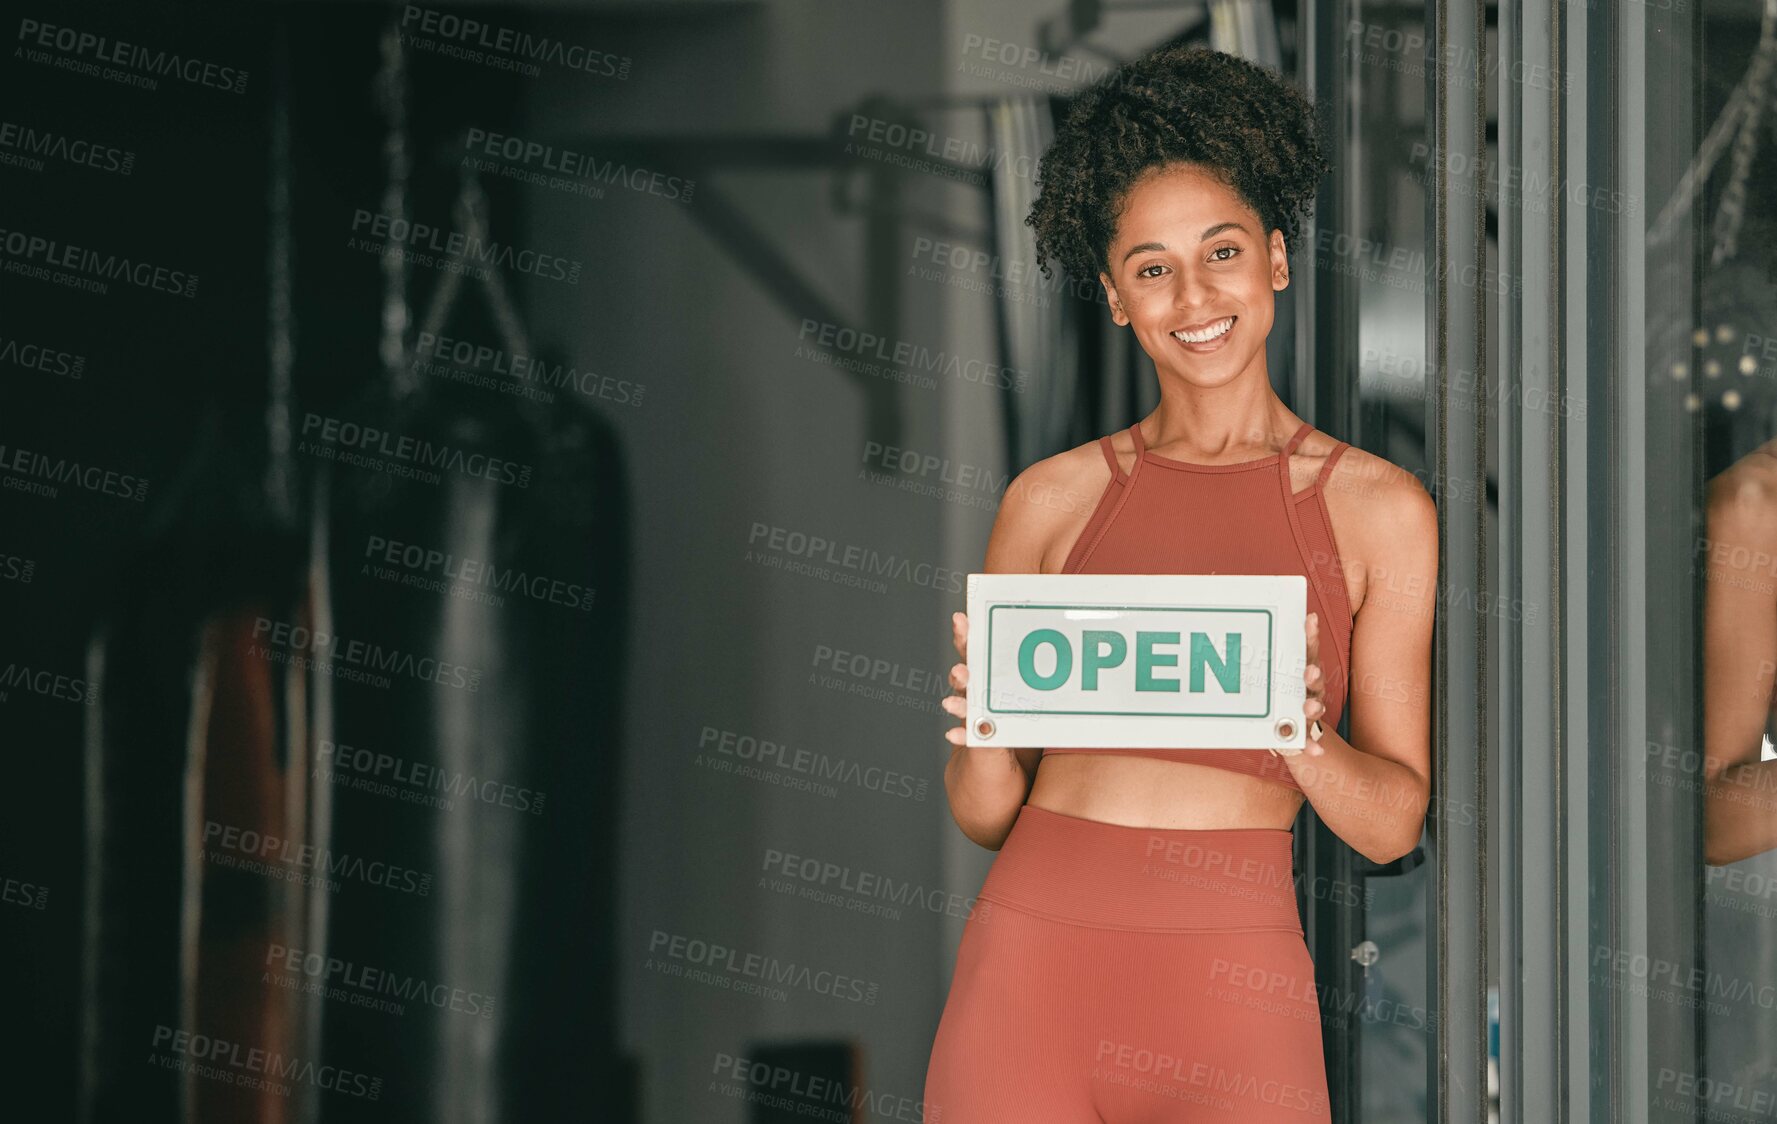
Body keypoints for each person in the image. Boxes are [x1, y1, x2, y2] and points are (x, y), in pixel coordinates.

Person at [922, 44, 1437, 1122]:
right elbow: (985, 812)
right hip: (1030, 969)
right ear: (1114, 296)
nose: (1193, 295)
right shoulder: (1050, 499)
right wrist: (973, 727)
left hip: (1233, 985)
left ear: (1278, 261)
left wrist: (1298, 734)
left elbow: (1391, 821)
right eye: (1151, 267)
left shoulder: (1380, 508)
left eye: (1222, 251)